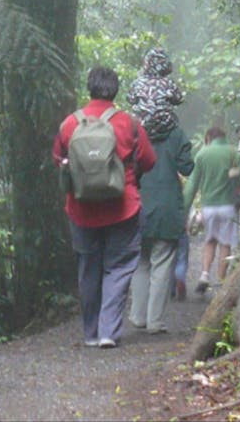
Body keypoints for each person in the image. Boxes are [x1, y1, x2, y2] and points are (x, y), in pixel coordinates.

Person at [52, 66, 156, 349]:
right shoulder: (129, 123)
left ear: (89, 88)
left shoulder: (69, 124)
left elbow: (58, 159)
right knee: (118, 267)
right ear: (115, 90)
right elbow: (148, 161)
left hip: (81, 209)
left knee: (88, 267)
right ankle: (109, 331)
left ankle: (90, 333)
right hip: (123, 207)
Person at [128, 125, 193, 333]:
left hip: (137, 202)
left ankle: (137, 315)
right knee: (162, 263)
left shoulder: (133, 127)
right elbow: (187, 167)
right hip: (167, 206)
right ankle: (154, 321)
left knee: (140, 262)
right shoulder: (175, 132)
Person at [183, 125, 240, 294]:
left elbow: (192, 185)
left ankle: (204, 275)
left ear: (208, 138)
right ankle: (221, 281)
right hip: (228, 206)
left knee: (210, 241)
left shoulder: (202, 154)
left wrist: (183, 209)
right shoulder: (233, 153)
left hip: (209, 207)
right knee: (225, 244)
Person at [126, 47, 184, 139]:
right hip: (165, 127)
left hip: (141, 127)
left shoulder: (138, 83)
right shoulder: (168, 83)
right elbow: (179, 99)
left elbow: (130, 99)